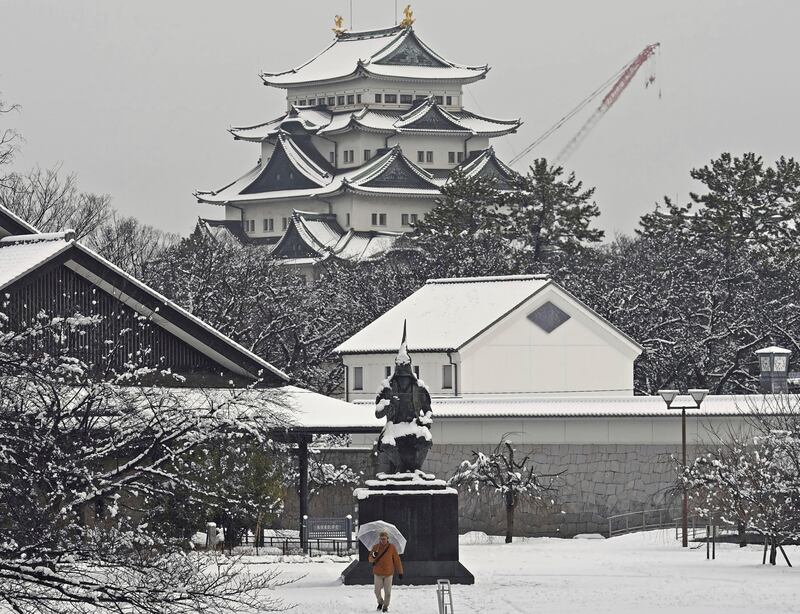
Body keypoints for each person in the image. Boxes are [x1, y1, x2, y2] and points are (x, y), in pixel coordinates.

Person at [369, 530, 403, 612]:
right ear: (379, 539)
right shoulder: (375, 547)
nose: (383, 541)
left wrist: (400, 572)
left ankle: (385, 607)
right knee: (377, 591)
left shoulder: (392, 547)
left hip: (388, 573)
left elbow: (397, 560)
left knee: (388, 592)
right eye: (381, 539)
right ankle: (380, 602)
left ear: (387, 539)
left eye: (384, 539)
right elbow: (370, 559)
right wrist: (373, 555)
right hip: (378, 573)